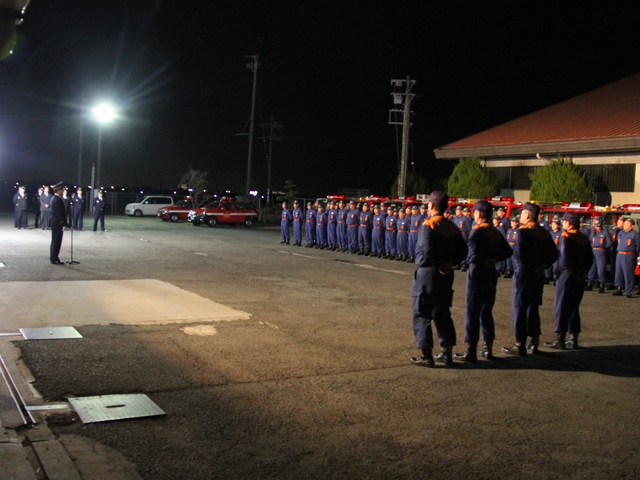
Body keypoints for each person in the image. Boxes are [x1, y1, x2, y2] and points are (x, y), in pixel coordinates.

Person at [410, 191, 468, 367]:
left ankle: (427, 354)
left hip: (428, 273)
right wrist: (449, 264)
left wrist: (438, 264)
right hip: (446, 274)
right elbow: (463, 251)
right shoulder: (451, 226)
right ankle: (446, 352)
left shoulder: (429, 225)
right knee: (442, 312)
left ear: (432, 206)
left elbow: (426, 250)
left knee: (421, 312)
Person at [456, 200, 512, 362]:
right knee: (486, 311)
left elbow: (472, 255)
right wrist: (493, 258)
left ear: (479, 214)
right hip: (490, 273)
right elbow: (507, 251)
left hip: (477, 273)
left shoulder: (477, 232)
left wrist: (481, 258)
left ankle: (471, 349)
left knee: (472, 311)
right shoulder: (495, 232)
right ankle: (488, 348)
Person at [503, 202, 559, 356]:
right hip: (538, 275)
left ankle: (519, 343)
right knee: (533, 308)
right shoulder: (544, 232)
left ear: (527, 215)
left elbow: (520, 254)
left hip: (524, 274)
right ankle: (534, 342)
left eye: (522, 213)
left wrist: (532, 265)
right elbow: (554, 254)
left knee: (519, 307)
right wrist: (543, 265)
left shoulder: (523, 232)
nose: (520, 216)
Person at [545, 212, 593, 350]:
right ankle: (574, 338)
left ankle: (560, 339)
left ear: (569, 223)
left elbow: (564, 256)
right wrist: (582, 272)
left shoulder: (566, 236)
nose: (562, 223)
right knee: (573, 307)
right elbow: (590, 259)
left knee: (561, 306)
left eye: (564, 221)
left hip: (567, 274)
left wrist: (563, 271)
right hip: (579, 276)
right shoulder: (583, 238)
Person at [612, 218, 640, 298]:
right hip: (619, 254)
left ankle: (629, 291)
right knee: (618, 273)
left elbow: (638, 246)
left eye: (627, 224)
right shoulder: (621, 233)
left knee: (628, 274)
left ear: (632, 226)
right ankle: (619, 288)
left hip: (628, 255)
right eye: (625, 223)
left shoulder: (635, 234)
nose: (625, 225)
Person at [585, 216, 612, 293]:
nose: (596, 226)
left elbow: (609, 243)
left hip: (601, 251)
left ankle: (602, 285)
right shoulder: (593, 231)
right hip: (593, 251)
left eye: (597, 224)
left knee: (601, 269)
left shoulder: (605, 232)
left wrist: (603, 247)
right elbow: (590, 240)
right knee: (592, 268)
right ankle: (590, 283)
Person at [49, 182, 68, 264]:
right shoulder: (58, 200)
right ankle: (54, 258)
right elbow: (60, 213)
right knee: (57, 241)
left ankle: (53, 257)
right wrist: (63, 223)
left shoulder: (53, 198)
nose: (63, 191)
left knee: (54, 241)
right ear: (59, 190)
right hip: (58, 224)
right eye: (62, 190)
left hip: (54, 223)